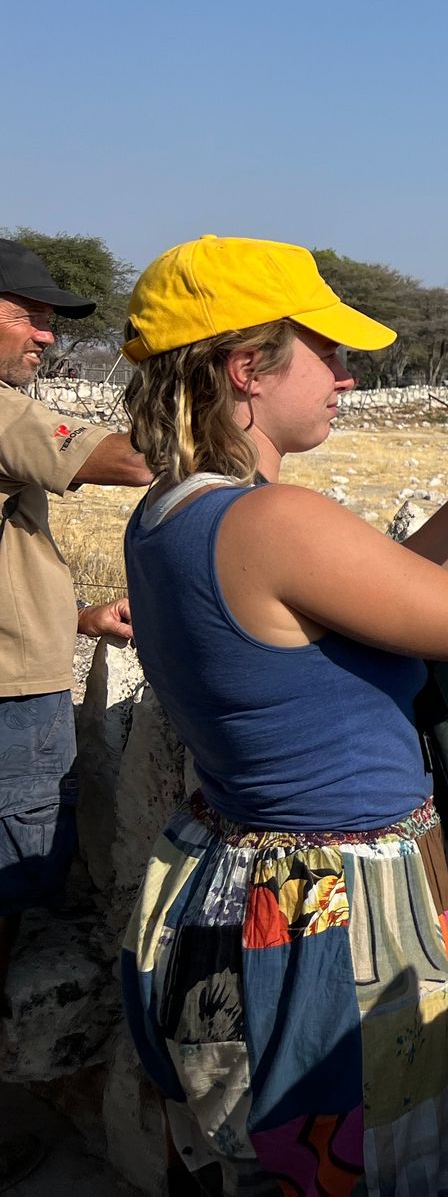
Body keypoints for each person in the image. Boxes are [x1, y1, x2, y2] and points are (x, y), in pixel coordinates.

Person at [114, 236, 448, 1196]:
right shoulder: (273, 524)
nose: (350, 375)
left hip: (236, 891)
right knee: (360, 1173)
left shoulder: (173, 514)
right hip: (329, 926)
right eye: (327, 352)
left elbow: (387, 591)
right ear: (248, 368)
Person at [0, 238, 152, 1182]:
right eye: (30, 314)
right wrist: (207, 401)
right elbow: (126, 462)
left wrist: (78, 613)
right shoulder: (2, 410)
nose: (46, 337)